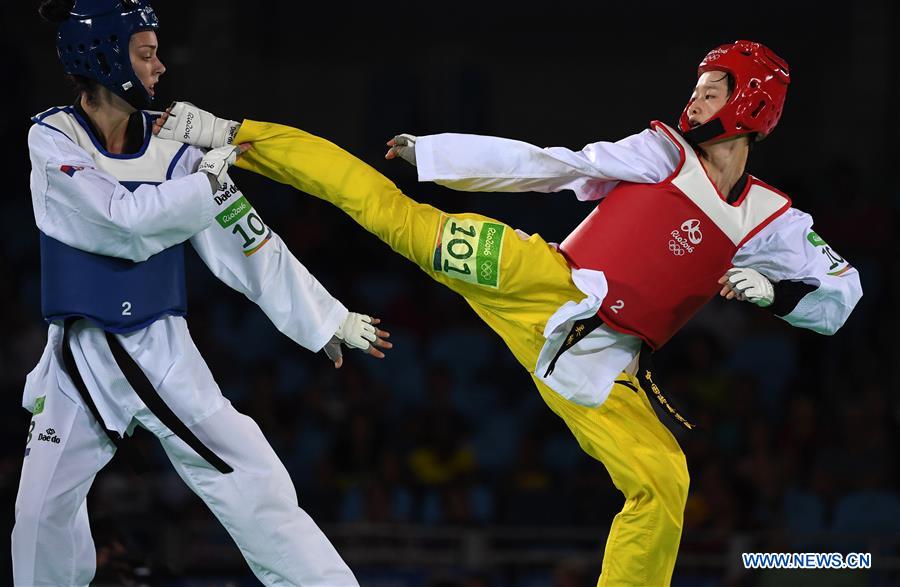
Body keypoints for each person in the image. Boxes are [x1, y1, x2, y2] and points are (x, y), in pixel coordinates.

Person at [156, 40, 862, 586]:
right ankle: (231, 133)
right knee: (391, 214)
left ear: (755, 108)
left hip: (600, 369)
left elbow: (842, 294)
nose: (698, 96)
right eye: (700, 85)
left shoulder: (772, 222)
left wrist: (780, 295)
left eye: (715, 89)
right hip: (536, 278)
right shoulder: (660, 152)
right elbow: (547, 164)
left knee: (664, 480)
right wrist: (437, 153)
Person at [14, 1, 391, 585]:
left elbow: (249, 243)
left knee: (251, 476)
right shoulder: (53, 139)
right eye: (145, 54)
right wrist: (205, 185)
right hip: (80, 355)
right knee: (39, 518)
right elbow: (123, 222)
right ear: (105, 58)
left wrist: (326, 320)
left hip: (161, 351)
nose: (160, 67)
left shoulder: (179, 149)